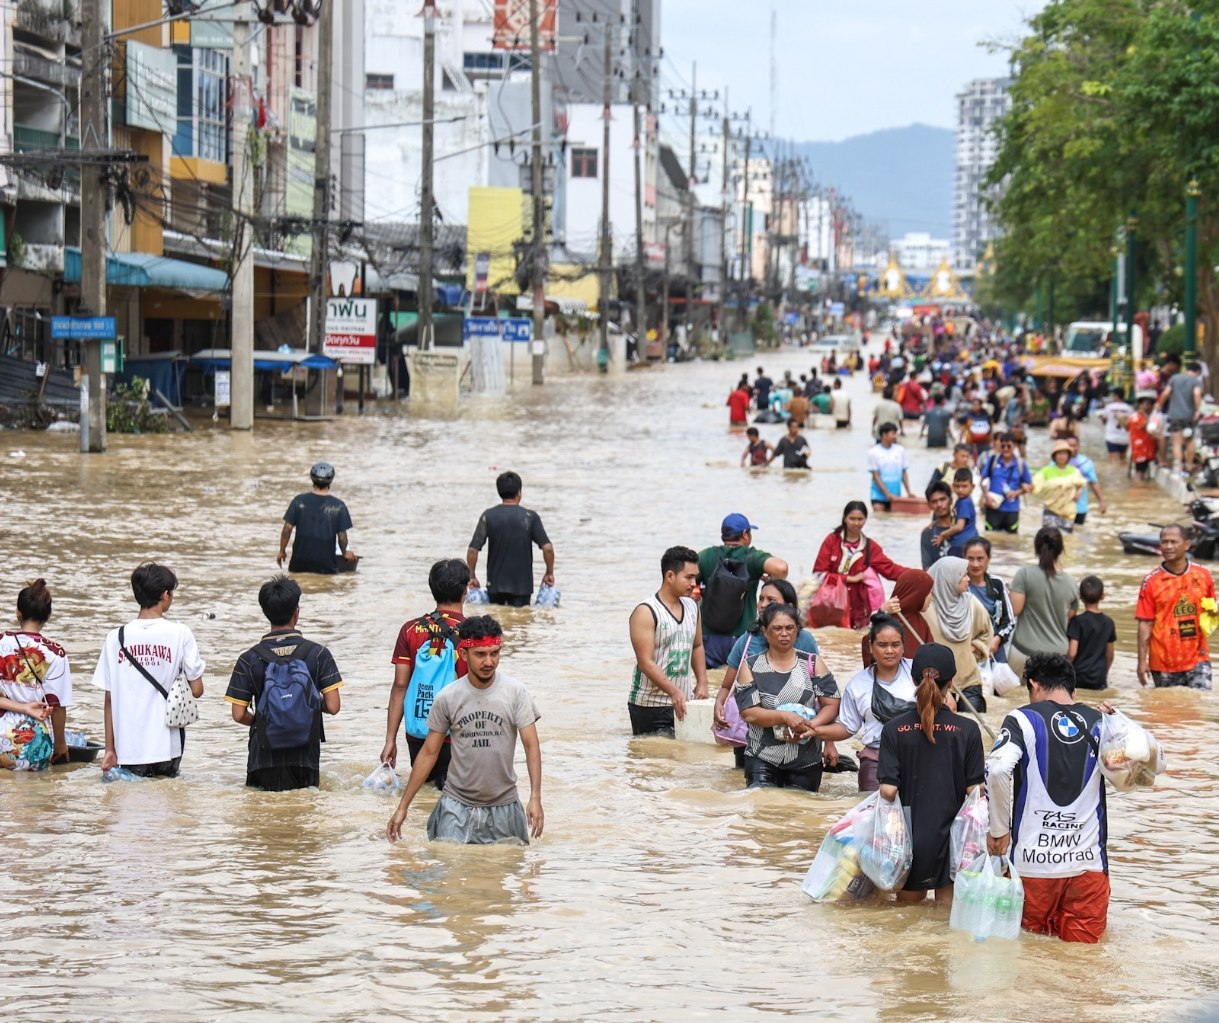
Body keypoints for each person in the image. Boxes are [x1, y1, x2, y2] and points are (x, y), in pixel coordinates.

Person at [985, 653, 1110, 943]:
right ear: (1073, 690)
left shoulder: (1021, 719)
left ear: (1033, 684)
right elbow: (1142, 771)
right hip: (1088, 866)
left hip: (1033, 865)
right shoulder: (1102, 722)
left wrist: (999, 830)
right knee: (1083, 964)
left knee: (1027, 960)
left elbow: (999, 769)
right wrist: (1121, 723)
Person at [386, 616, 543, 845]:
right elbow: (429, 753)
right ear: (463, 654)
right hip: (456, 806)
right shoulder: (448, 697)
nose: (488, 662)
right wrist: (403, 807)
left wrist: (535, 797)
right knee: (447, 870)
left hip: (505, 806)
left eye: (494, 653)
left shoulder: (516, 693)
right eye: (480, 654)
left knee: (503, 871)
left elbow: (532, 746)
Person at [878, 642, 985, 902]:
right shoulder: (967, 730)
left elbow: (888, 790)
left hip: (908, 842)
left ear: (913, 679)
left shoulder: (893, 729)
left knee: (906, 924)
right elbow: (975, 792)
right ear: (951, 683)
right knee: (943, 926)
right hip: (953, 843)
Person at [224, 575, 343, 791]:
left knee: (264, 818)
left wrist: (266, 721)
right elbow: (333, 706)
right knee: (302, 816)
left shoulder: (248, 658)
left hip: (263, 758)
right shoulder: (318, 654)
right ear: (296, 612)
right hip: (305, 757)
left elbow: (239, 714)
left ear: (265, 612)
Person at [92, 563, 205, 778]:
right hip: (167, 745)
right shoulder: (180, 633)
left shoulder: (115, 637)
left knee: (129, 806)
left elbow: (109, 698)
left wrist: (109, 749)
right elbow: (197, 689)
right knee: (166, 803)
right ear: (164, 595)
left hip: (127, 747)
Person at [711, 578, 822, 767]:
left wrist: (830, 744)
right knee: (752, 792)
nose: (763, 605)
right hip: (749, 733)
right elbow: (727, 686)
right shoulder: (747, 640)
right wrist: (718, 705)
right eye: (760, 599)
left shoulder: (804, 640)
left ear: (788, 606)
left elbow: (821, 695)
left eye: (770, 600)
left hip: (794, 734)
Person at [382, 558, 470, 789]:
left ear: (433, 589)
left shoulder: (410, 630)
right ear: (465, 590)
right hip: (459, 735)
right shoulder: (474, 632)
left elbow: (400, 686)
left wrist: (390, 739)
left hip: (419, 732)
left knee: (425, 793)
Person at [733, 603, 840, 792]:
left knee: (799, 815)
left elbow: (831, 703)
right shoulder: (750, 666)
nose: (784, 633)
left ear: (797, 630)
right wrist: (784, 717)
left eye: (789, 628)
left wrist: (812, 727)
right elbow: (748, 713)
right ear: (765, 631)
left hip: (806, 759)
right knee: (763, 810)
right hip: (762, 756)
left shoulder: (812, 663)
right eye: (777, 628)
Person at [815, 612, 914, 792]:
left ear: (903, 646)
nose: (889, 651)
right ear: (870, 646)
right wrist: (814, 731)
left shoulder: (918, 673)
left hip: (917, 758)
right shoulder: (858, 684)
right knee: (871, 814)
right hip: (876, 760)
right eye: (882, 645)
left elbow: (944, 704)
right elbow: (847, 727)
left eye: (895, 645)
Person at [628, 545, 710, 735]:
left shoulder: (692, 607)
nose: (694, 583)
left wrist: (703, 681)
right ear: (670, 576)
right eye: (689, 577)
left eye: (696, 577)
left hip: (684, 701)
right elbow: (645, 662)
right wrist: (673, 691)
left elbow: (697, 646)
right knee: (654, 762)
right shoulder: (646, 611)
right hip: (649, 705)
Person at [697, 514, 788, 669]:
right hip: (741, 638)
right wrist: (771, 580)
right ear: (745, 534)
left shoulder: (707, 556)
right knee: (741, 686)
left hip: (708, 638)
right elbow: (781, 568)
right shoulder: (752, 557)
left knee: (709, 687)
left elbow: (686, 578)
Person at [0, 579, 73, 771]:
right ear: (48, 615)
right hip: (30, 742)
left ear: (18, 612)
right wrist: (60, 744)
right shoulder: (56, 653)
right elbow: (56, 707)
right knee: (34, 795)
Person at [1136, 523, 1216, 689]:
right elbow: (1145, 623)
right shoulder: (1151, 581)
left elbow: (1211, 611)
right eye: (1164, 542)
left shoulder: (1203, 576)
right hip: (1163, 661)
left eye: (1173, 542)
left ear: (1187, 544)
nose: (1168, 546)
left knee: (1199, 708)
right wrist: (1142, 661)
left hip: (1198, 658)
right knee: (1168, 712)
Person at [467, 471, 556, 607]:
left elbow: (473, 550)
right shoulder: (530, 517)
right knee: (520, 622)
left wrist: (472, 576)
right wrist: (549, 572)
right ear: (519, 492)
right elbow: (548, 548)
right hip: (523, 587)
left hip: (495, 586)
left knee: (496, 621)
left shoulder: (488, 516)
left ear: (499, 492)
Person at [813, 501, 907, 630]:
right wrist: (849, 579)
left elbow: (890, 569)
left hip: (859, 607)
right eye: (852, 519)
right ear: (844, 518)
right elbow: (819, 574)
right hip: (832, 605)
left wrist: (918, 575)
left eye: (860, 519)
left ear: (865, 520)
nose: (856, 523)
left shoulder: (870, 547)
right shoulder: (832, 541)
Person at [925, 557, 992, 712]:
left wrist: (975, 648)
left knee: (974, 727)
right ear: (949, 578)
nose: (968, 579)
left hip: (969, 680)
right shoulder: (926, 607)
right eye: (963, 575)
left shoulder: (972, 604)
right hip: (937, 684)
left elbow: (986, 633)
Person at [1009, 526, 1078, 674]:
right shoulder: (1072, 583)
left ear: (1036, 548)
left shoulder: (1024, 574)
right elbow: (1069, 617)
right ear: (1060, 550)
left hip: (1024, 651)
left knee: (1015, 696)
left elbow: (1015, 610)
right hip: (1057, 657)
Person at [277, 461, 357, 575]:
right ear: (331, 480)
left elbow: (287, 529)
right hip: (326, 565)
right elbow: (342, 536)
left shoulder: (298, 501)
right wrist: (345, 552)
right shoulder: (339, 506)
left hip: (299, 563)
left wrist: (282, 551)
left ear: (312, 479)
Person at [963, 538, 1016, 664]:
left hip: (994, 650)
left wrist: (997, 639)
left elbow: (1008, 620)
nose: (975, 564)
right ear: (963, 558)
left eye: (980, 558)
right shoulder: (960, 584)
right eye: (970, 558)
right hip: (968, 650)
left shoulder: (997, 584)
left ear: (989, 559)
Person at [1066, 575, 1116, 691]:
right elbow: (1110, 654)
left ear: (1080, 597)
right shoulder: (1108, 622)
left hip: (1079, 676)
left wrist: (1065, 671)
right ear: (1102, 596)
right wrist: (1104, 673)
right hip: (1098, 677)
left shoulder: (1077, 621)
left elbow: (1072, 653)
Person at [1157, 358, 1203, 475]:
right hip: (1189, 416)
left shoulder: (1175, 378)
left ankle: (1178, 466)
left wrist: (1159, 405)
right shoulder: (1196, 382)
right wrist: (1198, 410)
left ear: (1187, 370)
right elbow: (1197, 394)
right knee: (1189, 441)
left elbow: (1166, 393)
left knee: (1177, 441)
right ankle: (1189, 465)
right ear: (1197, 372)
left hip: (1175, 415)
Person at [980, 433, 1032, 533]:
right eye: (1003, 446)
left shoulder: (1021, 464)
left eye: (1009, 446)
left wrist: (1016, 493)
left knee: (1011, 542)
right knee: (991, 537)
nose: (1006, 449)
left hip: (1012, 509)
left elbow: (1029, 486)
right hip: (993, 507)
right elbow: (982, 480)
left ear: (1015, 446)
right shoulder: (992, 460)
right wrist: (986, 496)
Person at [1032, 440, 1086, 532]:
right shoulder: (1046, 471)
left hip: (1068, 513)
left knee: (1066, 540)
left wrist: (1078, 493)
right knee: (1050, 537)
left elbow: (1082, 483)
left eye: (1064, 453)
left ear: (1068, 456)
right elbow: (1034, 486)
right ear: (1054, 456)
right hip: (1051, 510)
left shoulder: (1074, 471)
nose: (1062, 456)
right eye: (1059, 453)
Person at [931, 468, 979, 558]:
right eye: (957, 486)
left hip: (961, 545)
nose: (960, 490)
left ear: (972, 487)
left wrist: (942, 535)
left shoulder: (965, 502)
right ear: (953, 486)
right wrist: (935, 523)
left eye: (964, 486)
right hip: (968, 543)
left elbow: (959, 527)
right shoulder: (961, 501)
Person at [868, 423, 913, 511]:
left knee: (893, 522)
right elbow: (876, 476)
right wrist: (887, 494)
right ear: (884, 435)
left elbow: (903, 473)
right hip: (878, 495)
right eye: (893, 434)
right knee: (880, 519)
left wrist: (909, 492)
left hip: (896, 495)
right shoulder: (873, 452)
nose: (895, 436)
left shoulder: (900, 450)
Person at [1066, 437, 1107, 526]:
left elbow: (1093, 483)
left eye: (1075, 446)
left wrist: (1101, 501)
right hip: (1062, 506)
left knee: (1077, 533)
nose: (1072, 448)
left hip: (1080, 507)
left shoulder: (1086, 463)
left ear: (1079, 446)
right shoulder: (1058, 462)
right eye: (1070, 446)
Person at [920, 482, 956, 570]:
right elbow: (927, 568)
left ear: (950, 500)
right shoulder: (927, 533)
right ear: (929, 505)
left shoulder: (962, 526)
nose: (939, 505)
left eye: (943, 499)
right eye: (934, 501)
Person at [1128, 391, 1159, 479]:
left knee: (1142, 471)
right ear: (1140, 405)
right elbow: (1145, 426)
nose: (1148, 407)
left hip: (1147, 449)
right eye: (1146, 404)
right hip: (1140, 450)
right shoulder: (1136, 416)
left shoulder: (1147, 416)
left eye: (1150, 404)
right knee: (1139, 472)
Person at [1099, 389, 1134, 465]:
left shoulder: (1109, 407)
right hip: (1124, 438)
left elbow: (1104, 420)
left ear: (1116, 396)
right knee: (1123, 459)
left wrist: (1102, 419)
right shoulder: (1129, 408)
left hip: (1111, 437)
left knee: (1113, 460)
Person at [960, 395, 993, 460]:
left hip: (984, 442)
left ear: (980, 405)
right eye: (973, 404)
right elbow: (963, 429)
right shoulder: (968, 417)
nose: (975, 406)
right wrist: (960, 441)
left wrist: (991, 442)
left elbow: (991, 430)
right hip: (971, 443)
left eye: (977, 404)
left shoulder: (987, 417)